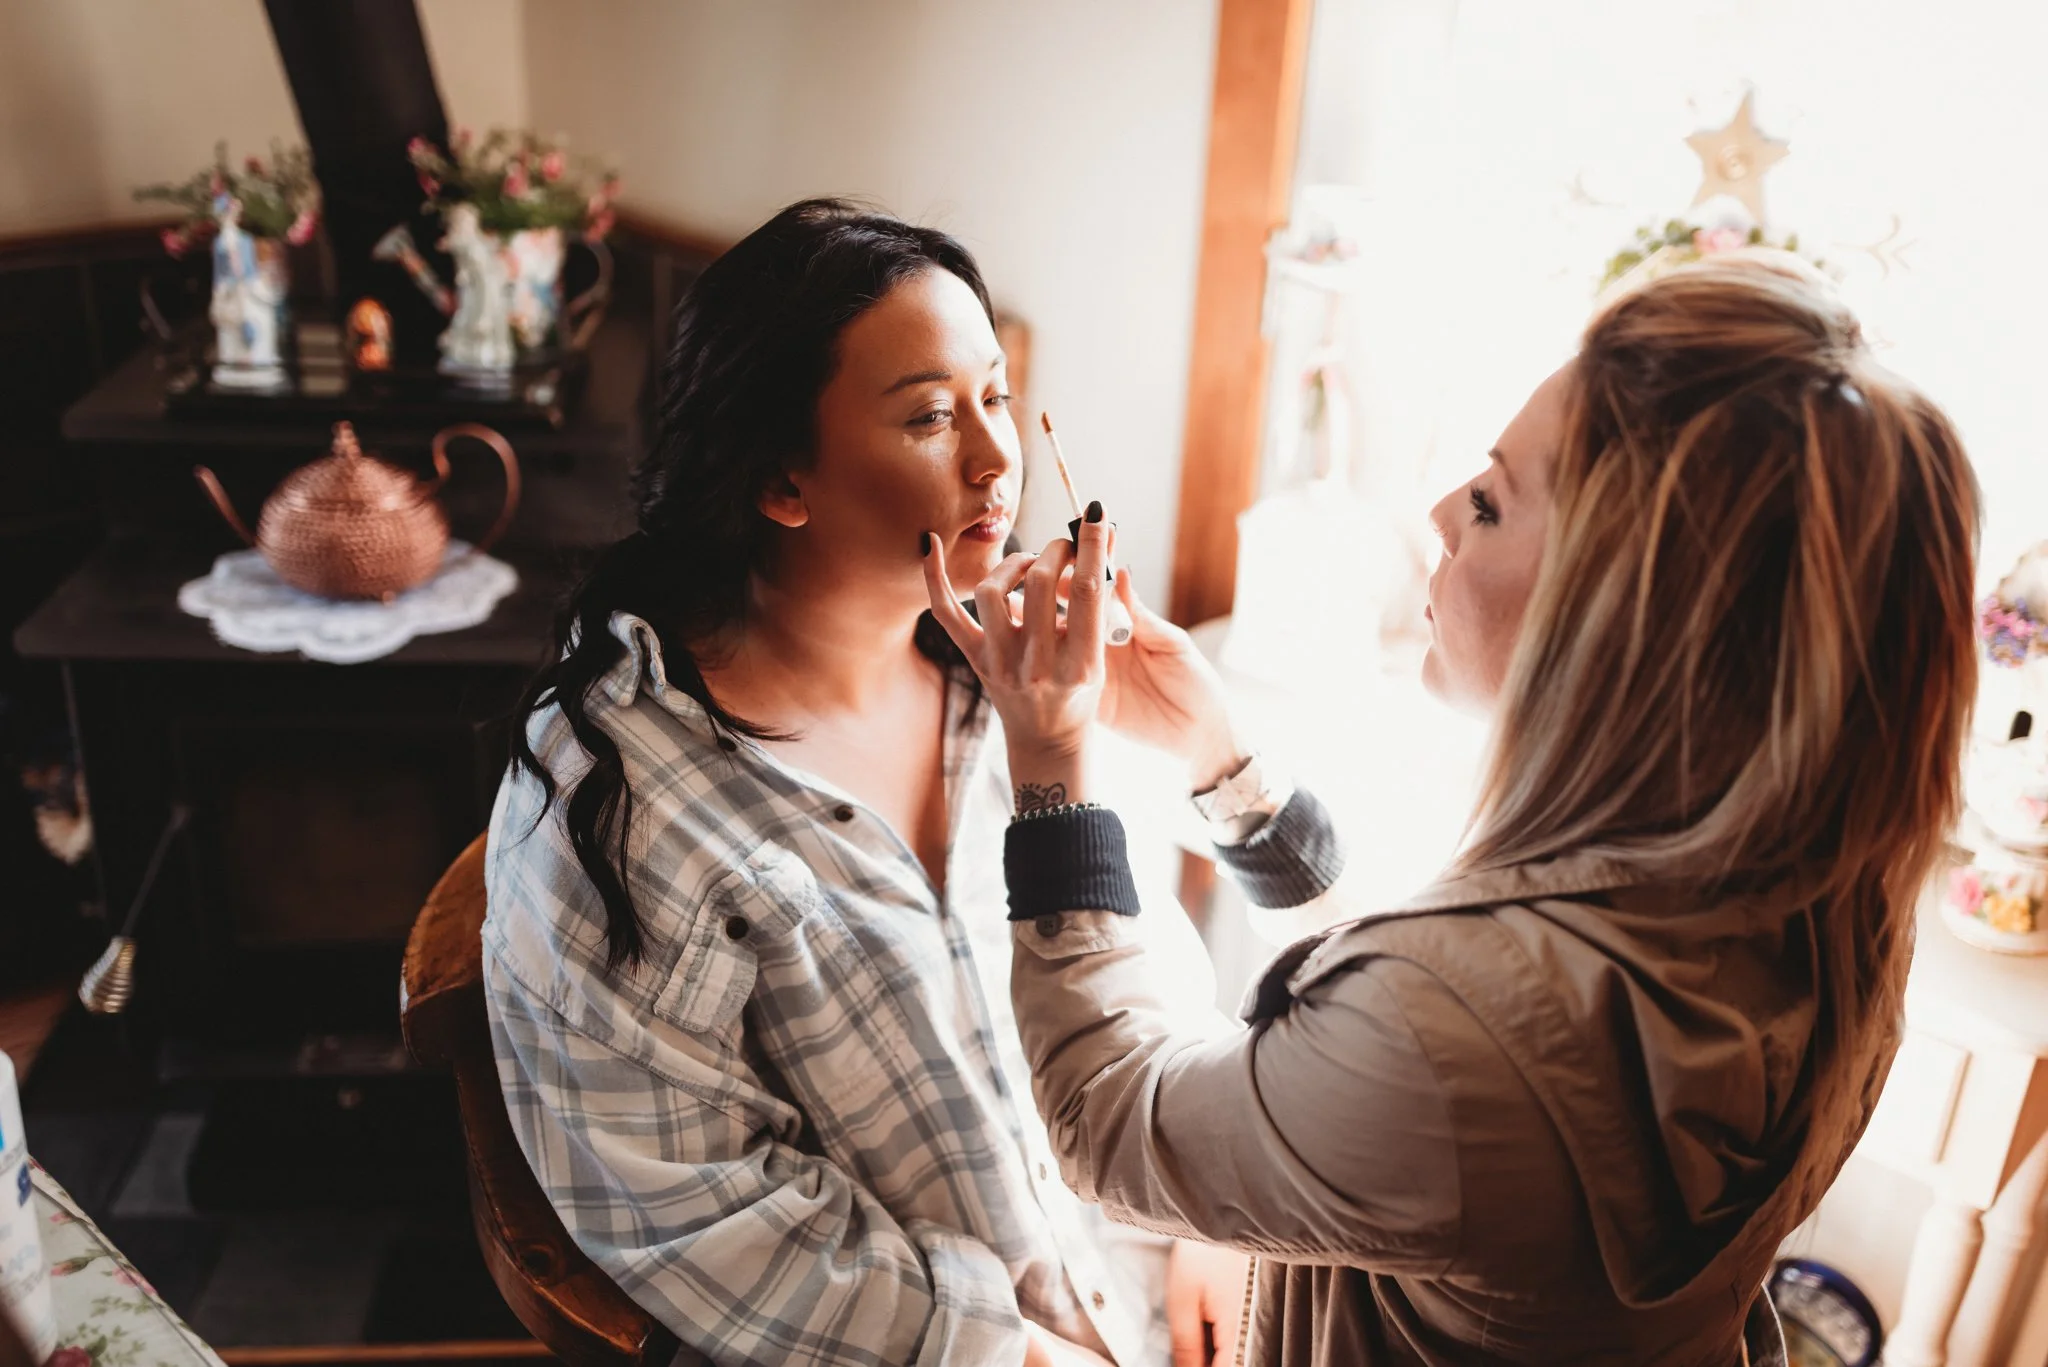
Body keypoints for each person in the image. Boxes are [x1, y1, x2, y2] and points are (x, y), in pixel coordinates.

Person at [923, 253, 1979, 1365]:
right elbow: (1460, 1025)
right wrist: (1220, 762)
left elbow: (1105, 1119)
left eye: (1487, 502)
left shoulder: (1462, 1037)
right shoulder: (1830, 910)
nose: (1434, 514)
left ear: (1621, 623)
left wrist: (1052, 765)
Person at [483, 198, 1242, 1367]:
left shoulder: (1020, 680)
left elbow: (1142, 975)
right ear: (780, 480)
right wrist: (1015, 1354)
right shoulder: (634, 802)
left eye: (997, 396)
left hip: (1143, 1283)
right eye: (931, 416)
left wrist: (1211, 1208)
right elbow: (701, 1212)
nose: (996, 460)